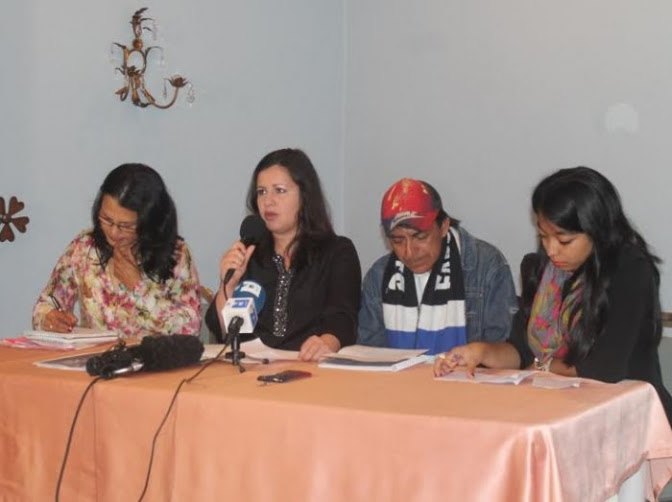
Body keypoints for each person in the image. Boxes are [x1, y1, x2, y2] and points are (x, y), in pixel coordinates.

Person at [434, 166, 672, 424]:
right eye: (544, 237)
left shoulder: (630, 270)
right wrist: (481, 353)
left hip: (629, 416)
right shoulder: (543, 271)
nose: (551, 250)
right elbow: (521, 350)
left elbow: (604, 370)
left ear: (597, 231)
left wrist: (539, 368)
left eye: (564, 240)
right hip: (559, 411)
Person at [205, 148, 361, 361]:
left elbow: (343, 317)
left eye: (279, 190)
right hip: (251, 372)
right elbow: (223, 331)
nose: (268, 201)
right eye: (261, 192)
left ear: (305, 195)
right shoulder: (249, 253)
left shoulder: (337, 252)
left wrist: (327, 342)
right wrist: (228, 285)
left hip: (310, 369)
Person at [32, 163, 202, 337]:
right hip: (95, 361)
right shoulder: (85, 246)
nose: (113, 232)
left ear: (149, 221)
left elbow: (190, 327)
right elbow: (46, 303)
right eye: (106, 219)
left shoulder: (176, 254)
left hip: (153, 361)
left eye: (125, 226)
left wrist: (138, 288)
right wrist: (48, 318)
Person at [358, 178, 518, 355]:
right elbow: (370, 356)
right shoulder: (379, 275)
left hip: (466, 381)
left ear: (443, 226)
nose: (409, 252)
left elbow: (506, 353)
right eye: (397, 241)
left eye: (420, 237)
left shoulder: (486, 265)